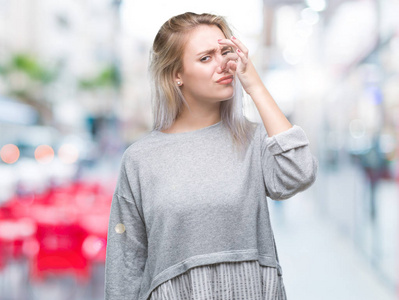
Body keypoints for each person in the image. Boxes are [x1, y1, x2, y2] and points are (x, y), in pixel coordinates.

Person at [104, 12, 318, 300]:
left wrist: (254, 85)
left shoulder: (252, 140)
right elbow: (126, 264)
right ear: (176, 74)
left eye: (225, 52)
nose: (224, 65)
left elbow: (300, 172)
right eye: (206, 58)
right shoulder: (140, 159)